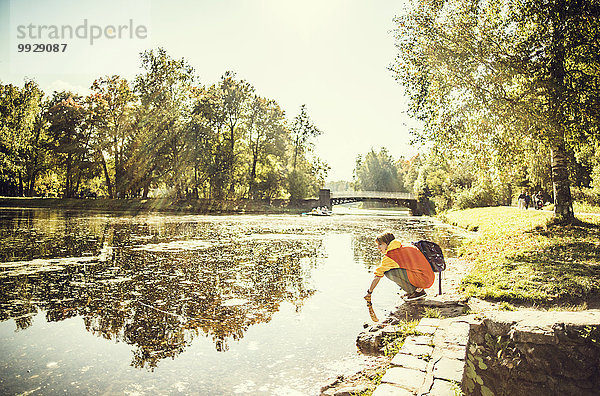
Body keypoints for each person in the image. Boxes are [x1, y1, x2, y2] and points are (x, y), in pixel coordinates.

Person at [364, 232, 435, 302]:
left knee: (389, 272)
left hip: (423, 280)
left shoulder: (391, 256)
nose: (378, 248)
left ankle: (415, 292)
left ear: (388, 243)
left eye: (380, 244)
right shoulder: (404, 245)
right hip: (429, 276)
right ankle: (415, 290)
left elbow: (377, 276)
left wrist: (369, 292)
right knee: (395, 268)